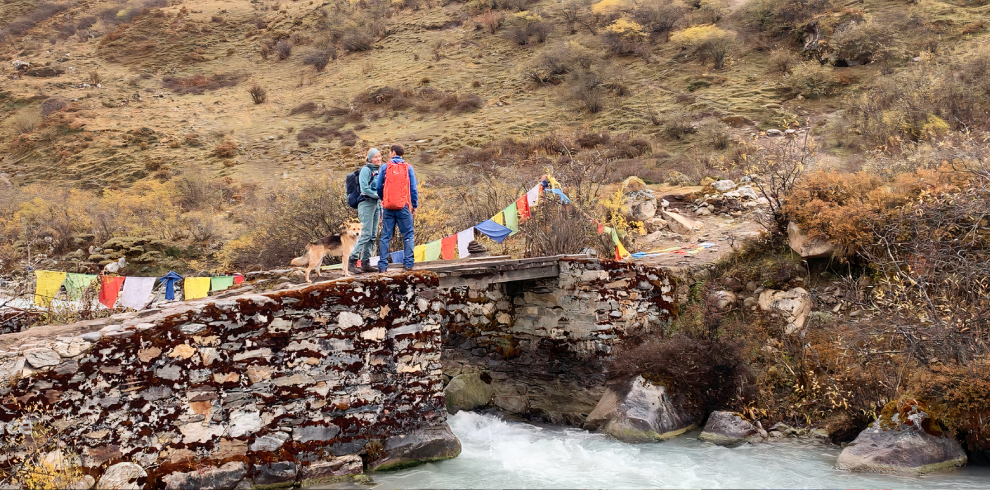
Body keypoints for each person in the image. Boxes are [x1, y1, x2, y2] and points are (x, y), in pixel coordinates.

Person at [376, 144, 418, 271]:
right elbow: (413, 189)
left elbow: (378, 187)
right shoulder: (408, 167)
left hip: (388, 207)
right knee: (408, 235)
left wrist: (384, 199)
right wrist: (414, 205)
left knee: (385, 236)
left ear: (393, 152)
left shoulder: (384, 167)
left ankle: (383, 266)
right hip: (403, 206)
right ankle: (409, 264)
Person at [347, 148, 382, 274]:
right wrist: (379, 195)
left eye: (379, 156)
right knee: (365, 233)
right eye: (375, 157)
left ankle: (366, 262)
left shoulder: (378, 171)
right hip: (366, 204)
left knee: (372, 234)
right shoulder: (366, 170)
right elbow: (364, 189)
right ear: (370, 158)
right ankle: (351, 260)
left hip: (376, 205)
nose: (378, 159)